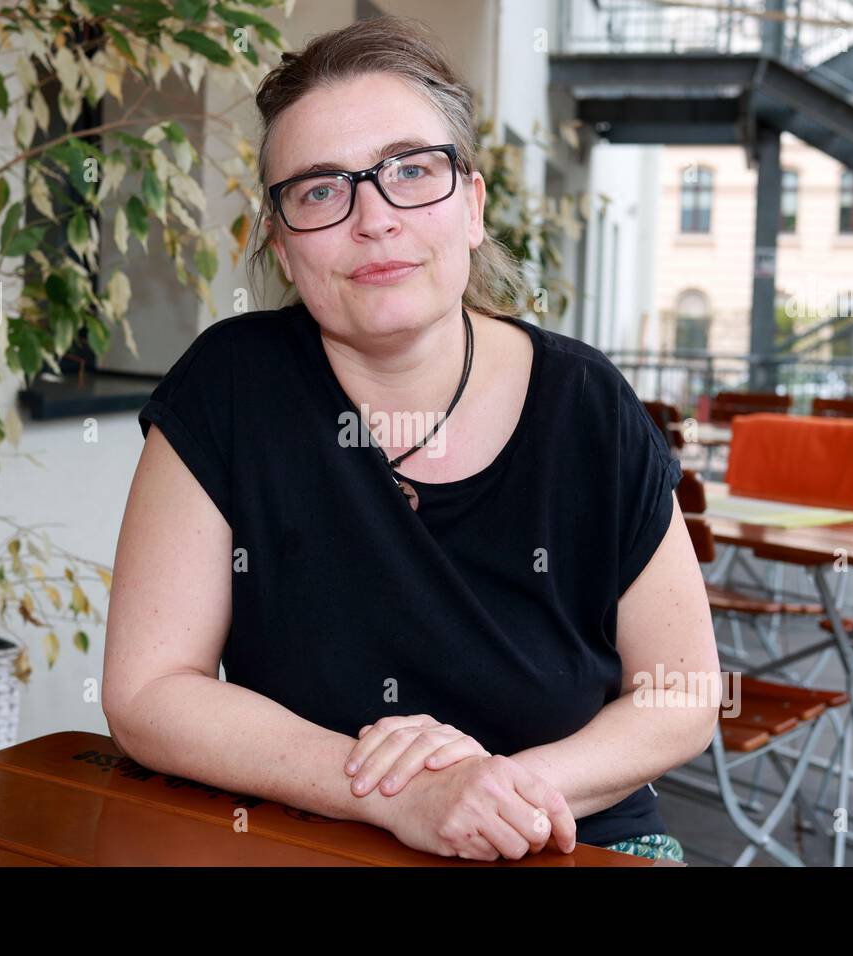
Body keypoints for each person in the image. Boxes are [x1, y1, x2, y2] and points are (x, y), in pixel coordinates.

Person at [102, 16, 719, 864]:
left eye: (411, 171)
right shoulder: (229, 389)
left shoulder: (587, 406)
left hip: (571, 838)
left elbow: (682, 695)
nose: (374, 219)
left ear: (470, 204)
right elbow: (147, 692)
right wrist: (401, 792)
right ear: (281, 244)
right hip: (305, 833)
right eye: (320, 190)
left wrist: (496, 798)